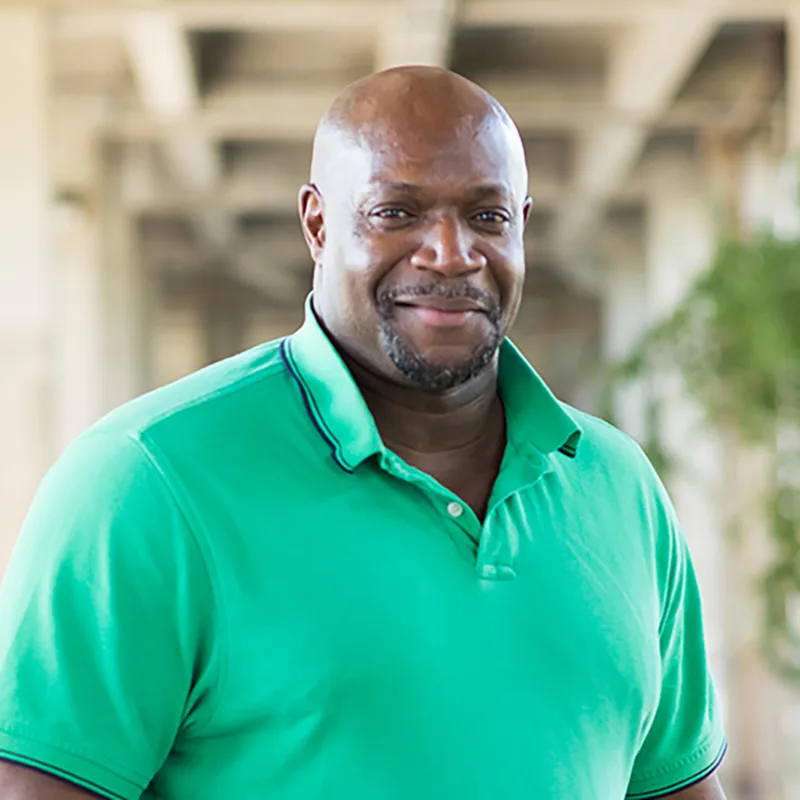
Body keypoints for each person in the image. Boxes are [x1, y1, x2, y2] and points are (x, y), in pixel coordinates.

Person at [0, 67, 727, 799]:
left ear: (523, 226)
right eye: (396, 212)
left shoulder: (618, 486)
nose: (450, 253)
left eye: (487, 217)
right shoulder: (147, 483)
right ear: (317, 224)